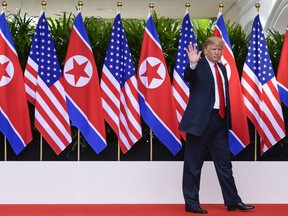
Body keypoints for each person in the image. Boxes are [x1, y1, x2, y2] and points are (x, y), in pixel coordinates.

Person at [179, 37, 255, 214]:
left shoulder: (221, 68)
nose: (217, 52)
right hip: (201, 121)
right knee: (194, 164)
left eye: (219, 50)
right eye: (213, 49)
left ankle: (233, 201)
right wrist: (192, 64)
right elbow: (188, 77)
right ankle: (191, 203)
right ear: (205, 51)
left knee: (225, 163)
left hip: (219, 121)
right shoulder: (198, 65)